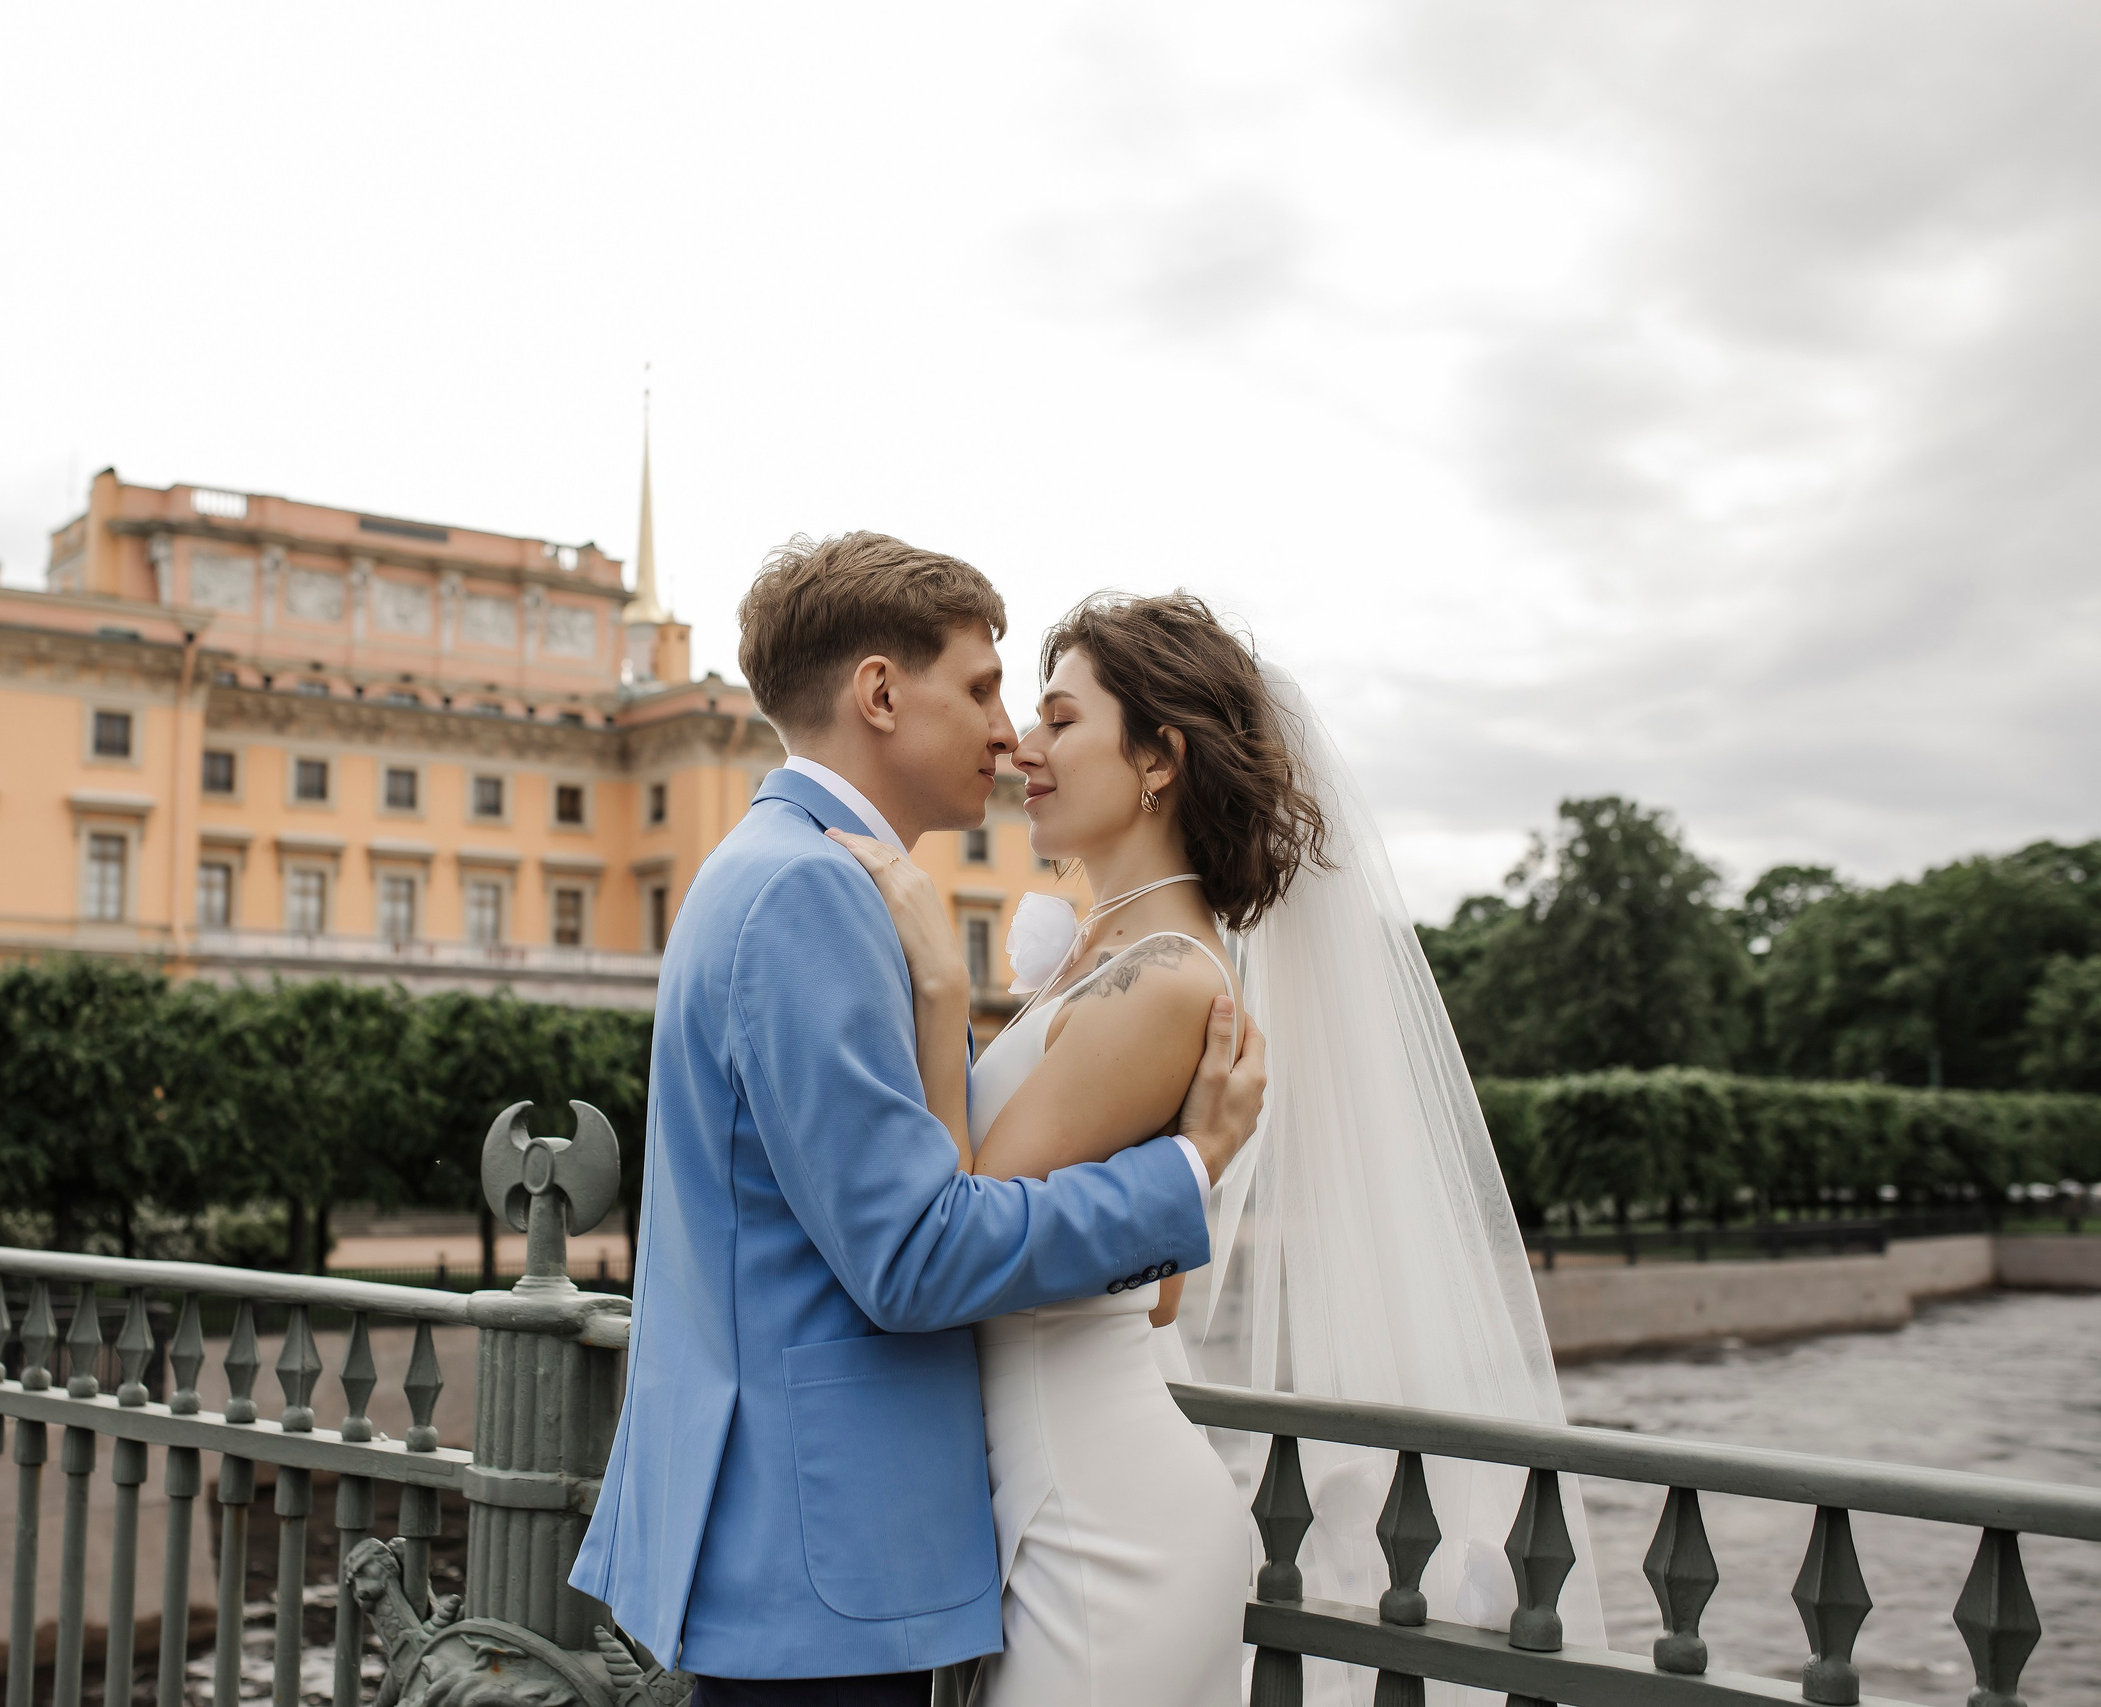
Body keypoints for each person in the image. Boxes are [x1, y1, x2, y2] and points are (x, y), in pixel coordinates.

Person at [845, 591, 1607, 1707]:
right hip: (1051, 1493)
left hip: (1098, 1523)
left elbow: (953, 1239)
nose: (1022, 745)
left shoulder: (1168, 982)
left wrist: (938, 990)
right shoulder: (1110, 962)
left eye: (1061, 721)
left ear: (1159, 759)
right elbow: (1153, 1297)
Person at [569, 535, 1271, 1707]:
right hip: (823, 1551)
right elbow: (913, 1254)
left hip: (859, 1540)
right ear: (881, 695)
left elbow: (1118, 1288)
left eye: (1035, 707)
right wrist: (1189, 1171)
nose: (1010, 737)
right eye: (987, 691)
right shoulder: (808, 891)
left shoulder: (780, 870)